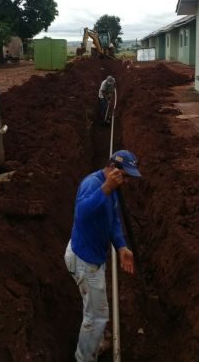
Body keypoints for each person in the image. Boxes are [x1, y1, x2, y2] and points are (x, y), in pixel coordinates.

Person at [64, 150, 141, 362]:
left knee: (96, 311)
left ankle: (93, 343)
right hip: (85, 261)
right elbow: (81, 213)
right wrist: (106, 188)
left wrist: (122, 247)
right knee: (97, 317)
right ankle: (84, 357)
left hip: (93, 256)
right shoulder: (93, 184)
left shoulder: (113, 189)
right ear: (113, 168)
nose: (125, 181)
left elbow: (113, 219)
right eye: (124, 176)